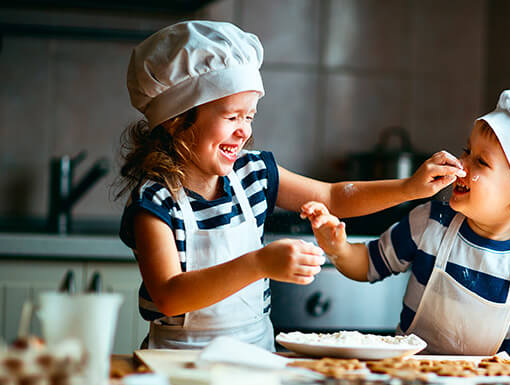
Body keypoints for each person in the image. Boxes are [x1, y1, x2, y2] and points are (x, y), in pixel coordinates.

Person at [116, 20, 465, 351]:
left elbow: (333, 196)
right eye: (232, 116)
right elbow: (168, 295)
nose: (244, 131)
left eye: (249, 116)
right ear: (178, 121)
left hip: (254, 359)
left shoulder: (254, 173)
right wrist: (258, 264)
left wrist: (409, 188)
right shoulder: (155, 200)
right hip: (174, 366)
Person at [301, 90, 510, 364]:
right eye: (466, 150)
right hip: (407, 380)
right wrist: (338, 248)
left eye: (480, 162)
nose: (461, 164)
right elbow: (367, 265)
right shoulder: (430, 222)